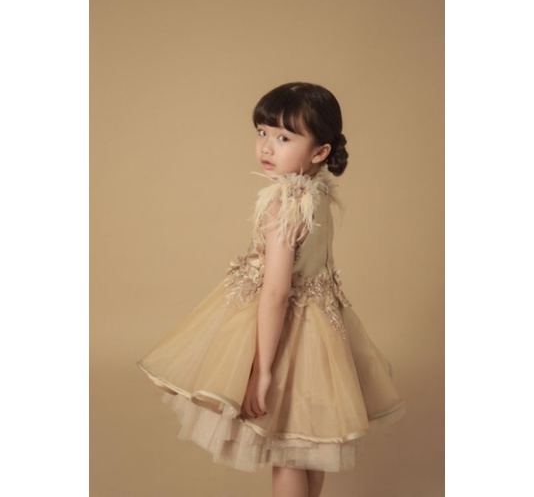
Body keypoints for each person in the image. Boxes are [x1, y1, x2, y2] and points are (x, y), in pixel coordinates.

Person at [138, 82, 404, 497]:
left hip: (284, 334)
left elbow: (277, 292)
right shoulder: (319, 196)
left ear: (320, 152)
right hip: (323, 334)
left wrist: (261, 371)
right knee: (309, 443)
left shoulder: (283, 206)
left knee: (285, 452)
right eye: (262, 132)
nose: (266, 146)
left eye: (283, 138)